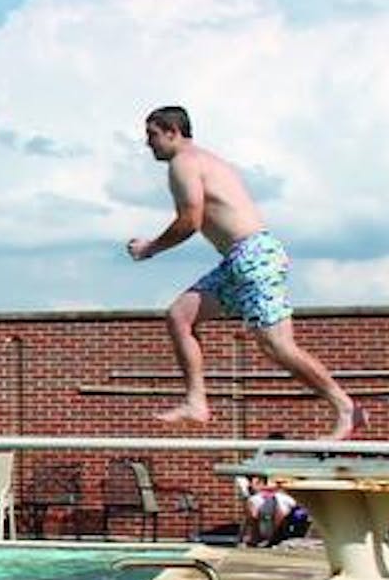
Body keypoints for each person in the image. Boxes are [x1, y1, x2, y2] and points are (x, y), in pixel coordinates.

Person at [126, 105, 365, 440]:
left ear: (172, 132)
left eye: (152, 135)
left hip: (254, 256)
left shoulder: (184, 163)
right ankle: (196, 402)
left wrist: (151, 247)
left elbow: (190, 221)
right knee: (179, 316)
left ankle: (345, 407)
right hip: (239, 261)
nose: (147, 143)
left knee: (277, 345)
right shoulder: (204, 160)